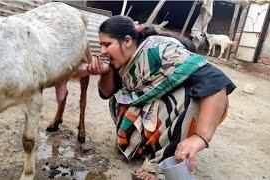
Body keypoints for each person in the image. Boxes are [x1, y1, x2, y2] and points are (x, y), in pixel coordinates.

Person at [86, 15, 236, 180]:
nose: (101, 51)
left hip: (182, 108)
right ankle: (145, 146)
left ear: (127, 41)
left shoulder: (159, 51)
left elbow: (216, 82)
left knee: (191, 99)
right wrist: (105, 72)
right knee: (120, 97)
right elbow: (107, 93)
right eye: (101, 45)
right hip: (152, 108)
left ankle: (163, 162)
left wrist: (199, 138)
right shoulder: (122, 61)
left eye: (107, 44)